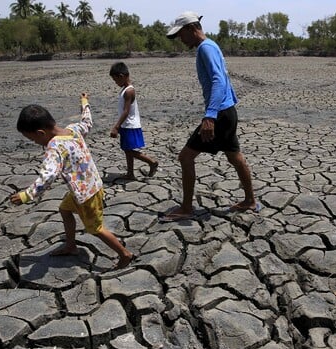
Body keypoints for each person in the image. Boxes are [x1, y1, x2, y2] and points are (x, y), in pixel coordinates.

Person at [10, 93, 135, 269]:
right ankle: (71, 245)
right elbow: (87, 122)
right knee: (64, 210)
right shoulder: (73, 129)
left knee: (96, 228)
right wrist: (85, 103)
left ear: (41, 132)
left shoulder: (54, 147)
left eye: (33, 139)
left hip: (86, 195)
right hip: (89, 187)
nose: (36, 143)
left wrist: (26, 195)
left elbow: (48, 175)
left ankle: (124, 254)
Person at [161, 11, 258, 222]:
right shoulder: (211, 46)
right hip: (228, 111)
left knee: (185, 157)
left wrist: (210, 116)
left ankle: (186, 208)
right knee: (234, 156)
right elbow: (224, 80)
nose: (180, 39)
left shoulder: (205, 48)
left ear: (191, 28)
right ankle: (250, 200)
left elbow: (218, 81)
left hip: (220, 114)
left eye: (181, 34)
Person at [109, 62, 158, 180]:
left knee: (128, 150)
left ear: (122, 76)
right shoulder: (124, 89)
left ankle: (151, 162)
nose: (116, 83)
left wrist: (116, 126)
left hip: (130, 125)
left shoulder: (129, 91)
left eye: (116, 80)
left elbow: (126, 111)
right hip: (126, 125)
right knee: (128, 150)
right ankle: (130, 173)